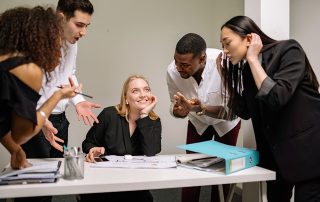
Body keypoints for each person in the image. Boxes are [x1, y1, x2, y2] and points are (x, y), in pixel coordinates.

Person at [218, 15, 320, 201]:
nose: (225, 50)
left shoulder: (289, 49)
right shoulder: (249, 69)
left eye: (227, 43)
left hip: (309, 153)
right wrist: (225, 77)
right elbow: (246, 112)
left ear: (248, 39)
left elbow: (276, 97)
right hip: (275, 157)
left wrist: (253, 59)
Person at [166, 33, 241, 202]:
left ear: (202, 59)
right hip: (198, 122)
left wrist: (202, 108)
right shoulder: (172, 71)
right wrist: (178, 111)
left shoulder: (224, 64)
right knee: (191, 171)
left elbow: (233, 110)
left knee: (223, 174)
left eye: (184, 65)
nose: (178, 67)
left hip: (227, 123)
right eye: (176, 61)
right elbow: (175, 105)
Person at [0, 6, 76, 169]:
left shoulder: (6, 64)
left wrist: (15, 150)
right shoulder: (26, 69)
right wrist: (58, 96)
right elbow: (21, 134)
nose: (60, 48)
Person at [22, 0, 100, 159]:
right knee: (38, 178)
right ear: (60, 18)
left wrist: (78, 101)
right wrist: (39, 118)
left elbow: (69, 73)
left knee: (59, 172)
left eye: (86, 26)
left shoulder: (72, 42)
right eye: (79, 25)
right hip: (36, 118)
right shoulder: (34, 41)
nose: (84, 32)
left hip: (60, 119)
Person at [80, 75, 161, 202]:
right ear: (126, 99)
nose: (143, 95)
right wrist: (94, 149)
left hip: (135, 185)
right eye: (135, 91)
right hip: (105, 184)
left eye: (146, 89)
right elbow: (88, 143)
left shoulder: (153, 121)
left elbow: (150, 152)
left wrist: (145, 115)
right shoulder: (109, 114)